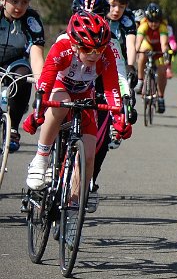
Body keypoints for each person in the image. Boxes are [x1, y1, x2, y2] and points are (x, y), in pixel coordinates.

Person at [23, 12, 130, 195]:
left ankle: (75, 203)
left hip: (84, 93)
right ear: (74, 44)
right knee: (62, 101)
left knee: (88, 157)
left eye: (99, 49)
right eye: (87, 49)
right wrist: (37, 113)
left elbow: (111, 90)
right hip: (59, 87)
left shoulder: (106, 55)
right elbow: (45, 84)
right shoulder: (61, 47)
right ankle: (41, 159)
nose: (94, 55)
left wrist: (119, 118)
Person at [68, 0, 135, 211]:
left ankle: (89, 183)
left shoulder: (111, 41)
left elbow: (120, 74)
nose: (89, 21)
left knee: (102, 140)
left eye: (96, 16)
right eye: (82, 15)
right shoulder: (65, 38)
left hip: (99, 91)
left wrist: (126, 100)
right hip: (69, 89)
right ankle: (48, 163)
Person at [0, 0, 45, 152]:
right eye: (14, 1)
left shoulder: (31, 19)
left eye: (24, 2)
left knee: (23, 78)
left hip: (15, 60)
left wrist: (41, 84)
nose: (19, 7)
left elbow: (36, 55)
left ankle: (13, 129)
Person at [101, 0, 138, 91]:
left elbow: (131, 44)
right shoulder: (98, 14)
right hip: (98, 59)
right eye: (113, 5)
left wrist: (130, 66)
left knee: (126, 94)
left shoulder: (128, 17)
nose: (117, 10)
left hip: (120, 61)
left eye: (121, 7)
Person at [134, 2, 170, 113]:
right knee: (142, 53)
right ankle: (140, 80)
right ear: (147, 19)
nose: (153, 24)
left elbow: (164, 44)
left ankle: (161, 97)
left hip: (159, 47)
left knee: (162, 71)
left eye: (156, 21)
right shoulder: (143, 25)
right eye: (151, 21)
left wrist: (165, 53)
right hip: (148, 45)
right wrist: (135, 52)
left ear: (160, 20)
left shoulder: (163, 27)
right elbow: (138, 42)